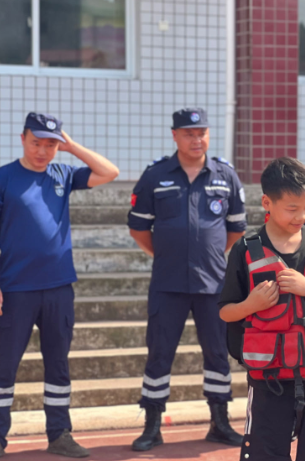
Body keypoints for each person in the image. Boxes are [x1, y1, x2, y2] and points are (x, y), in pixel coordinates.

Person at [219, 156, 305, 461]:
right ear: (267, 202)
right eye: (292, 209)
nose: (302, 216)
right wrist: (250, 304)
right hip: (270, 384)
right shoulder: (245, 250)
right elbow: (226, 312)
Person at [0, 113, 119, 458]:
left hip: (58, 287)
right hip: (15, 288)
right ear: (22, 138)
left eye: (50, 144)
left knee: (58, 365)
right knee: (5, 366)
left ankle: (59, 434)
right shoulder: (5, 177)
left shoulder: (63, 174)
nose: (42, 151)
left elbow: (109, 172)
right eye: (36, 142)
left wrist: (72, 147)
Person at [127, 108, 246, 451]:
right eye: (188, 134)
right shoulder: (155, 175)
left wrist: (208, 257)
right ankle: (152, 424)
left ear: (208, 135)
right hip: (168, 283)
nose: (196, 139)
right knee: (159, 354)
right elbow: (138, 228)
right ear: (174, 135)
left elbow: (236, 229)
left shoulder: (225, 175)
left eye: (201, 133)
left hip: (213, 284)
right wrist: (166, 256)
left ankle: (220, 422)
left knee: (218, 354)